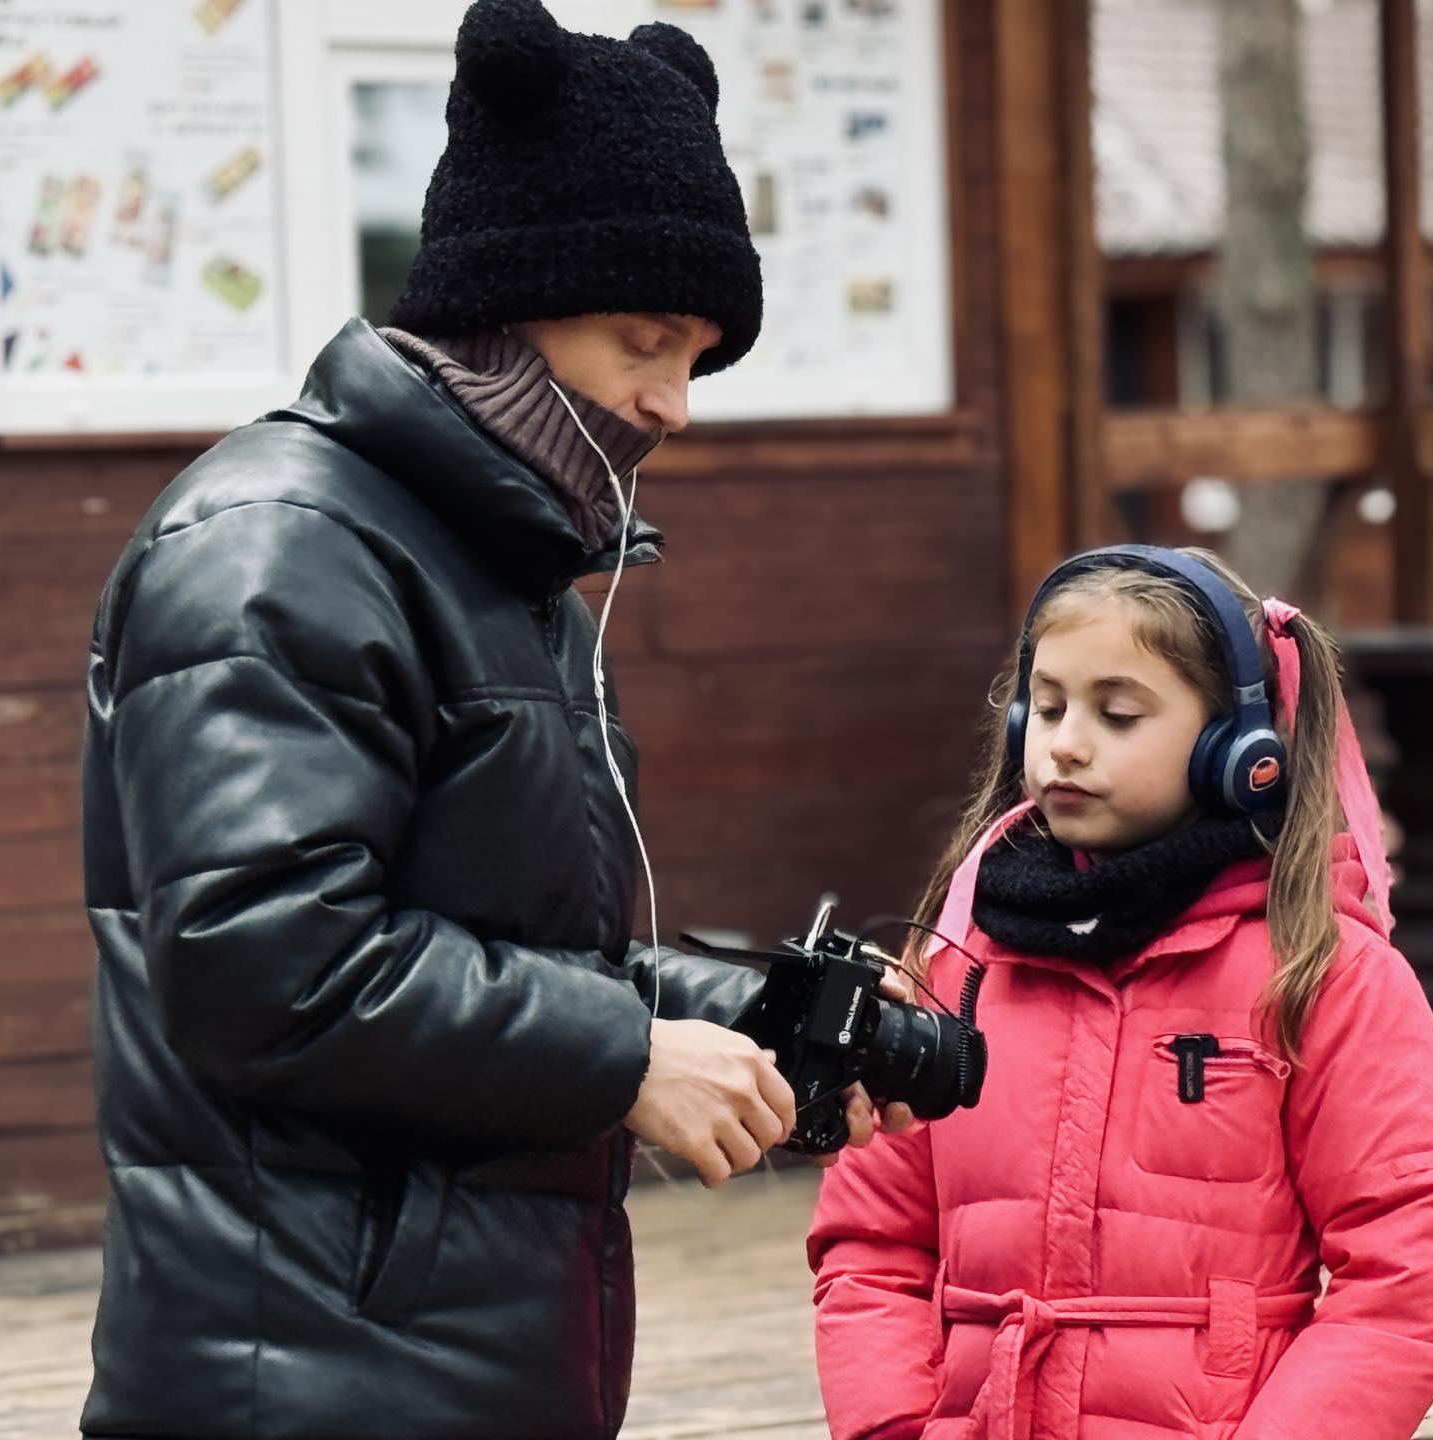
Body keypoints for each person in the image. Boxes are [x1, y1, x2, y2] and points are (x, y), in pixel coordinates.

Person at [79, 3, 895, 1437]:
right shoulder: (278, 548)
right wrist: (629, 1060)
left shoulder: (513, 577)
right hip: (305, 1382)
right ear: (504, 307)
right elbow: (263, 966)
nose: (674, 407)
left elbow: (520, 967)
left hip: (478, 1368)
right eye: (648, 343)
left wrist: (761, 1027)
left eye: (700, 358)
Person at [809, 546, 1433, 1439]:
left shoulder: (1326, 974)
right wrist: (894, 1428)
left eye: (1117, 714)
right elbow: (871, 1246)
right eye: (1045, 707)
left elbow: (1409, 1280)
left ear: (1236, 752)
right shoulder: (953, 964)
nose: (1065, 743)